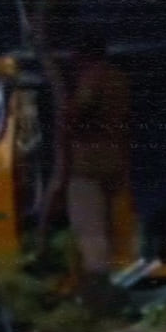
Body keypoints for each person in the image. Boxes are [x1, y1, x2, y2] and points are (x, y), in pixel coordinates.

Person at [62, 29, 132, 285]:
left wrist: (67, 118)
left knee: (89, 229)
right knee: (112, 229)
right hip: (115, 161)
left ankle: (98, 289)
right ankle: (114, 280)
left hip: (88, 165)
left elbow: (81, 111)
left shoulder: (92, 78)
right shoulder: (119, 79)